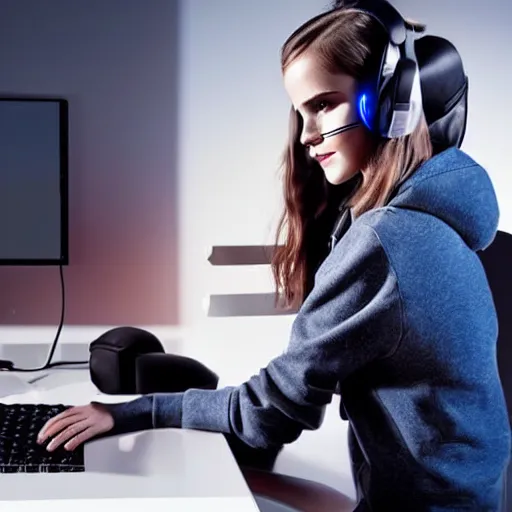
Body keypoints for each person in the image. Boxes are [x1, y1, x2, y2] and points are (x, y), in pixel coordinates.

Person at [37, 1, 511, 510]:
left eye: (325, 104)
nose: (307, 135)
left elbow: (269, 412)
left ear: (391, 102)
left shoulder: (386, 241)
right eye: (301, 112)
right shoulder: (438, 223)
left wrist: (133, 412)